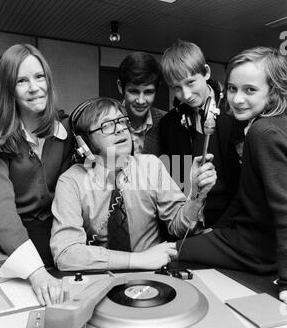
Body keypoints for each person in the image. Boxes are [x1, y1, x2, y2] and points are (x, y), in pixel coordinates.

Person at [50, 97, 216, 271]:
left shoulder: (151, 165)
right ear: (84, 143)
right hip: (100, 277)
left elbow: (179, 228)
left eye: (122, 121)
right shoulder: (71, 182)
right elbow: (65, 254)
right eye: (107, 125)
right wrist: (139, 260)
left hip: (154, 274)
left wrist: (197, 196)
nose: (121, 129)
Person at [177, 46, 287, 304]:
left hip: (256, 249)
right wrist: (216, 228)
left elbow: (285, 209)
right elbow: (245, 193)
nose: (237, 99)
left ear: (273, 90)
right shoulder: (269, 124)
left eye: (250, 90)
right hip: (248, 237)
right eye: (232, 88)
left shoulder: (263, 132)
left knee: (173, 249)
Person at [0, 44, 74, 305]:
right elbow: (0, 210)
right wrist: (36, 273)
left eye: (39, 77)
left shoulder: (64, 134)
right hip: (16, 247)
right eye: (22, 81)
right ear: (9, 90)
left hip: (61, 242)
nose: (34, 87)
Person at [159, 40, 245, 227]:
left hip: (230, 224)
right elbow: (174, 184)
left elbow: (245, 186)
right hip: (187, 223)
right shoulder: (169, 124)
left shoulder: (236, 114)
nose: (186, 95)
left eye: (190, 82)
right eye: (176, 87)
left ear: (206, 72)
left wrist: (218, 230)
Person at [117, 51, 166, 156]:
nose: (141, 100)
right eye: (134, 91)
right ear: (121, 87)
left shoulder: (167, 123)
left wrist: (188, 171)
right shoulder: (105, 123)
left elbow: (179, 169)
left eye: (148, 92)